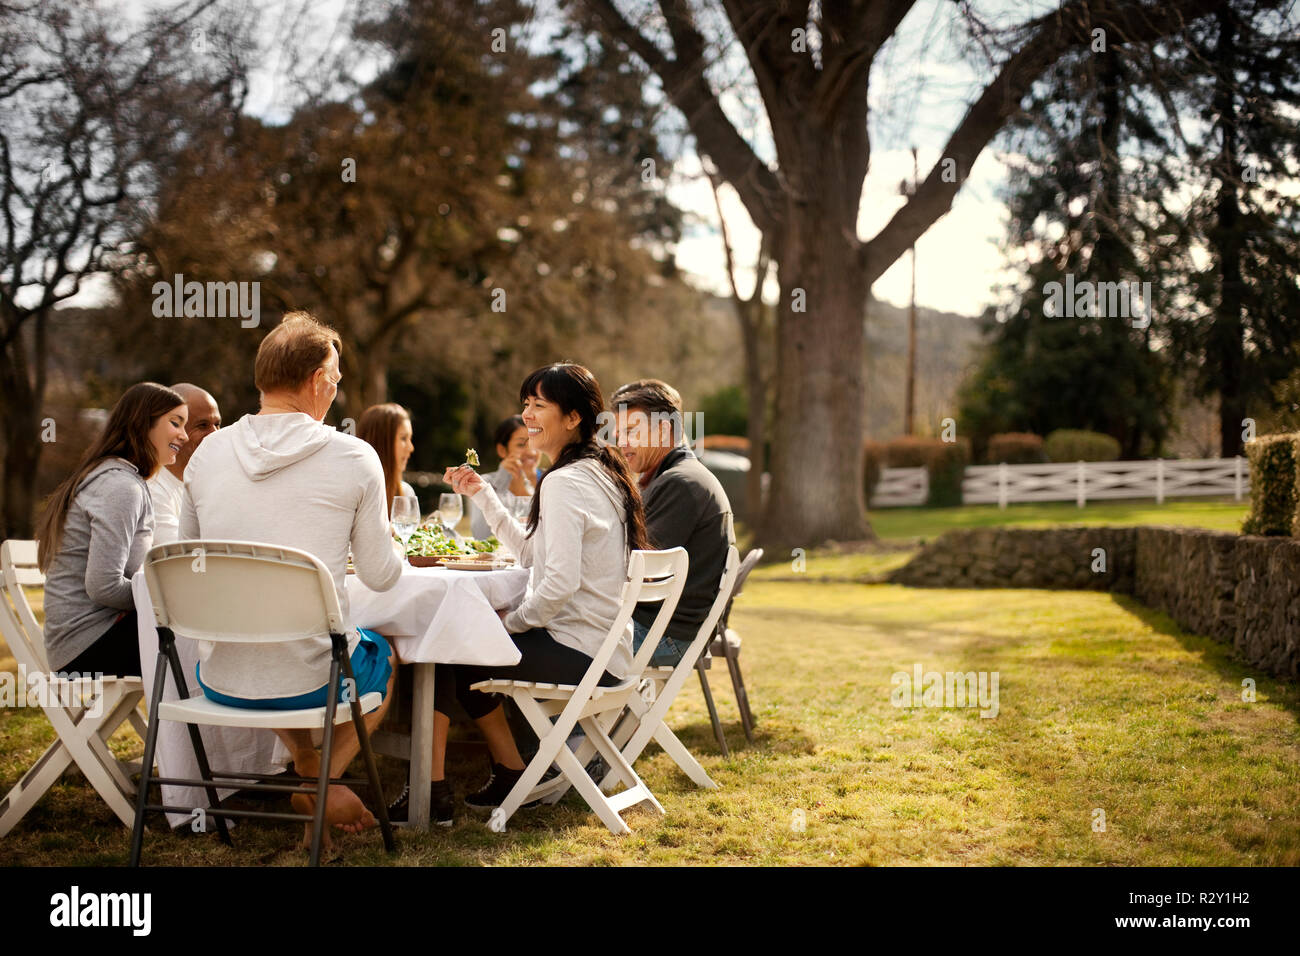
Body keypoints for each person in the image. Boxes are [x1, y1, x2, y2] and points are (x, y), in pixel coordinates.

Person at [387, 363, 647, 826]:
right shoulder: (599, 472)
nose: (527, 414)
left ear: (573, 418)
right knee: (458, 641)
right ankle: (494, 773)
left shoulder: (566, 482)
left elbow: (558, 586)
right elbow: (532, 557)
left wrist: (509, 624)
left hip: (583, 653)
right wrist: (485, 496)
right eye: (525, 403)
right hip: (607, 651)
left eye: (539, 405)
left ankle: (437, 791)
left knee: (447, 646)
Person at [180, 311, 403, 840]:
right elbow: (381, 575)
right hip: (308, 678)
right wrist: (382, 537)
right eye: (336, 376)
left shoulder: (207, 452)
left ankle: (306, 770)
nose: (338, 386)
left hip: (221, 677)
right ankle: (321, 786)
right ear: (315, 381)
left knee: (290, 643)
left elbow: (188, 557)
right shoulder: (354, 456)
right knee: (384, 656)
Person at [37, 383, 189, 678]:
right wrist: (163, 598)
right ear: (144, 425)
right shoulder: (121, 487)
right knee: (205, 636)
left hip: (82, 643)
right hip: (88, 648)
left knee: (201, 632)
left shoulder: (111, 477)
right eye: (175, 423)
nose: (183, 435)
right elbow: (103, 586)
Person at [610, 379, 731, 666]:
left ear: (664, 430)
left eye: (630, 432)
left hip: (663, 636)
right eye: (618, 434)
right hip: (663, 629)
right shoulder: (674, 477)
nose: (621, 443)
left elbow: (636, 570)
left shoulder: (680, 483)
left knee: (537, 645)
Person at [146, 383, 221, 545]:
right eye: (202, 425)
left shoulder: (207, 484)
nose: (215, 434)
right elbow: (181, 554)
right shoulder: (151, 490)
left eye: (217, 424)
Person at [468, 414, 538, 539]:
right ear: (502, 450)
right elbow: (481, 535)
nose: (531, 452)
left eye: (535, 443)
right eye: (521, 445)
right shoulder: (482, 483)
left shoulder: (550, 483)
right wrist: (501, 484)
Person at [357, 403, 416, 505]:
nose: (411, 448)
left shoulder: (405, 493)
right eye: (403, 438)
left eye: (409, 438)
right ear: (380, 441)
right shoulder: (354, 493)